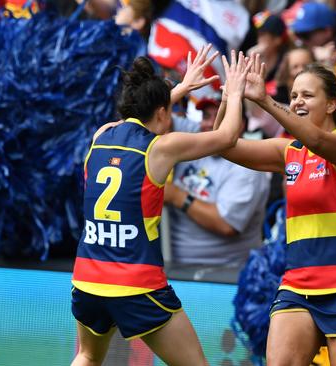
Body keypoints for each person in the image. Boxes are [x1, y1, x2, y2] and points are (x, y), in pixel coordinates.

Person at [70, 45, 251, 365]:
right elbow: (228, 136)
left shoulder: (101, 135)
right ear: (163, 112)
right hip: (137, 285)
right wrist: (234, 92)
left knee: (87, 356)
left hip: (87, 279)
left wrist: (177, 90)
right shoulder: (161, 148)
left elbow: (143, 117)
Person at [215, 53, 336, 365]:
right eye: (293, 96)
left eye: (307, 95)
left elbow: (317, 140)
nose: (297, 102)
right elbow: (224, 144)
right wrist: (231, 96)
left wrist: (266, 101)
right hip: (298, 283)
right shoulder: (288, 151)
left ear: (331, 104)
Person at [163, 93, 270, 265]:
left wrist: (176, 196)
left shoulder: (249, 167)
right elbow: (156, 116)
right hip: (173, 268)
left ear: (239, 125)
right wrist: (179, 90)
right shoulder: (196, 135)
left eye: (221, 117)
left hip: (224, 278)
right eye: (206, 116)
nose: (211, 125)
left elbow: (226, 225)